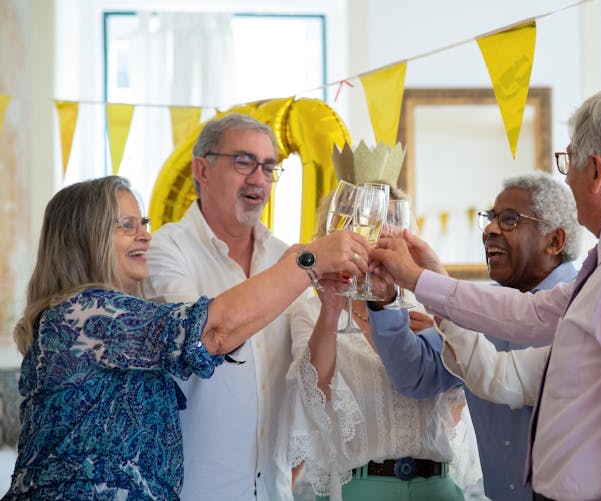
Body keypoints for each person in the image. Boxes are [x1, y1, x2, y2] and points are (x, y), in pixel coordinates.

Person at [372, 85, 601, 500]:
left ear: (596, 171)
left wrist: (420, 280)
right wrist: (424, 277)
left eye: (568, 161)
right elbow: (533, 315)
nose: (567, 177)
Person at [4, 176, 367, 500]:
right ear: (84, 239)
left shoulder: (117, 315)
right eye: (126, 226)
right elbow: (214, 330)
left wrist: (299, 268)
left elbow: (224, 332)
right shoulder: (82, 314)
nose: (145, 234)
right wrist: (309, 261)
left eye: (142, 223)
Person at [142, 113, 368, 500]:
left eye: (268, 167)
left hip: (274, 491)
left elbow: (312, 380)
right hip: (194, 489)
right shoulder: (166, 250)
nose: (259, 179)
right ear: (203, 169)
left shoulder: (284, 257)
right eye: (244, 162)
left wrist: (330, 309)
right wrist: (308, 263)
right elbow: (204, 337)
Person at [367, 173, 580, 500]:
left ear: (554, 241)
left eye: (509, 219)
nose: (491, 229)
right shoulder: (473, 309)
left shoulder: (585, 307)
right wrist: (384, 300)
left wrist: (430, 283)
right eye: (491, 218)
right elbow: (415, 376)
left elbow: (501, 377)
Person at [281, 186, 472, 501]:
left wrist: (441, 332)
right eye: (366, 227)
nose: (375, 245)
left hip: (437, 485)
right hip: (362, 486)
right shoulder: (312, 310)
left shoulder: (421, 303)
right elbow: (316, 395)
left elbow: (460, 395)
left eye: (388, 228)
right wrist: (331, 307)